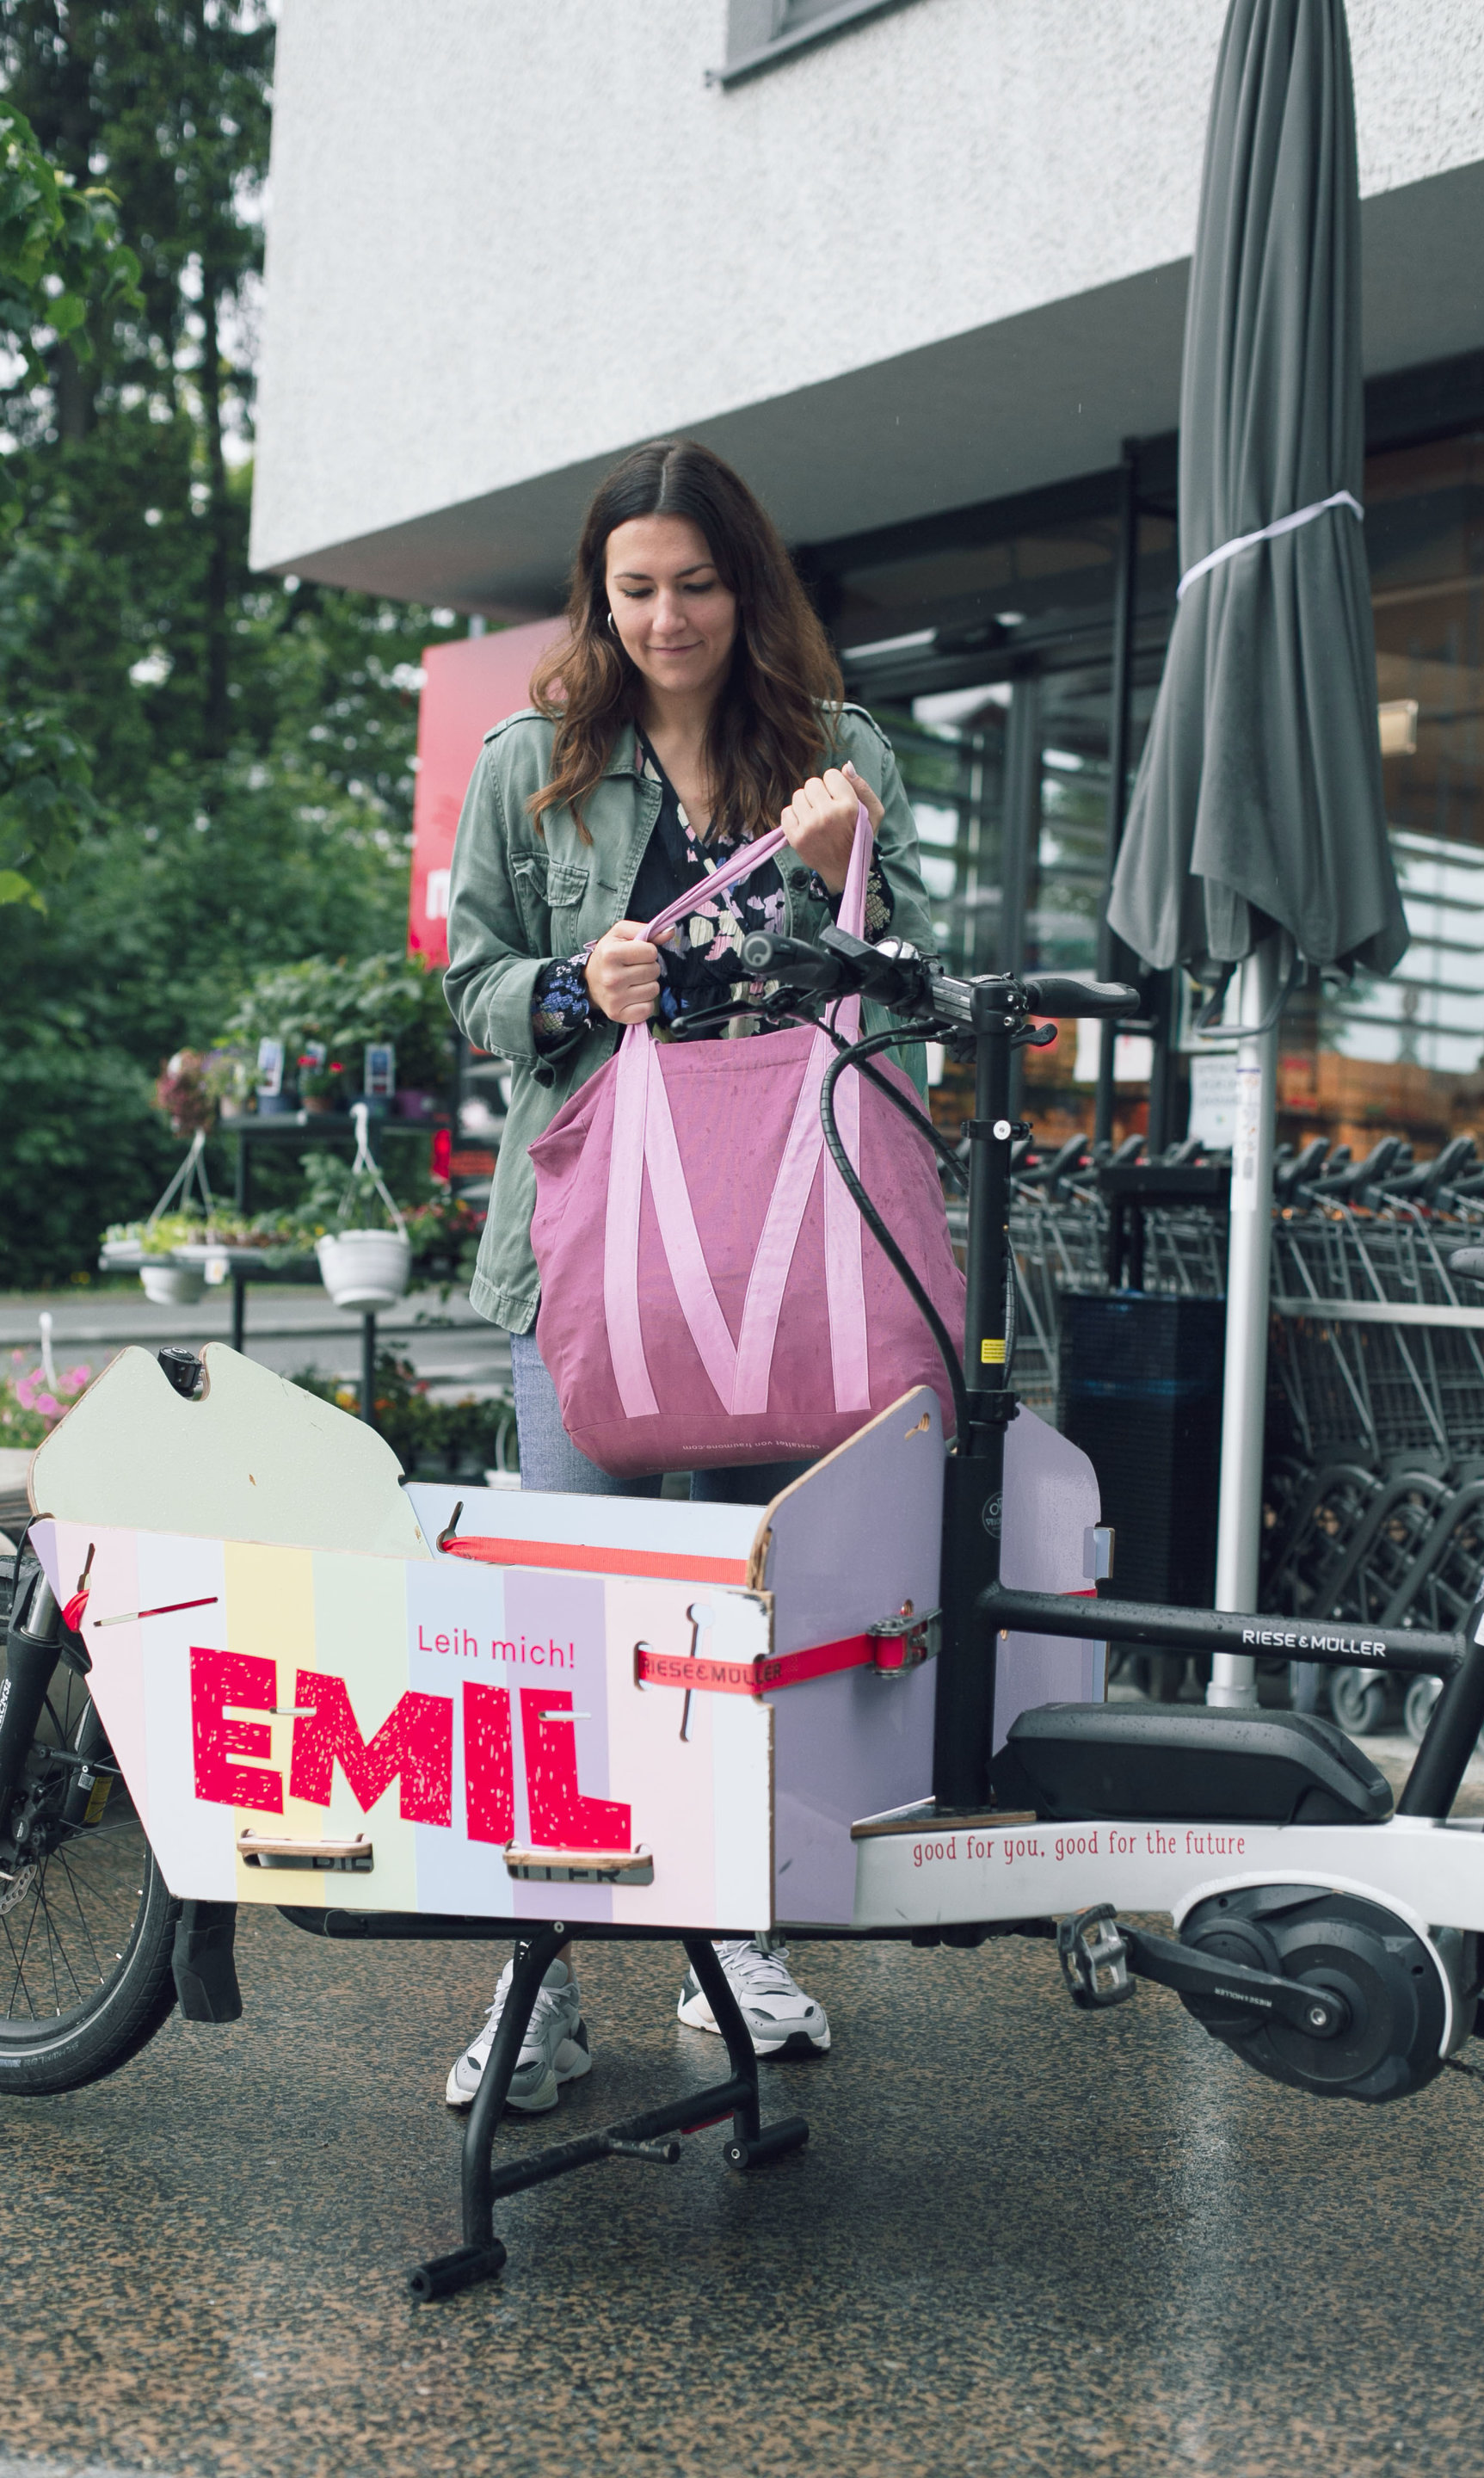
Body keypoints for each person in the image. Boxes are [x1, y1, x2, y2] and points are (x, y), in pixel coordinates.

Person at [441, 437, 936, 2112]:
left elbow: (909, 981)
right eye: (634, 588)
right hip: (587, 1263)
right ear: (601, 594)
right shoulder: (533, 763)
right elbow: (470, 991)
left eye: (698, 585)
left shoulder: (839, 756)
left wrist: (837, 859)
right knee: (565, 1632)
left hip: (777, 1258)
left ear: (749, 585)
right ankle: (539, 1992)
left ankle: (734, 1953)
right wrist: (579, 986)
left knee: (737, 1628)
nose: (667, 619)